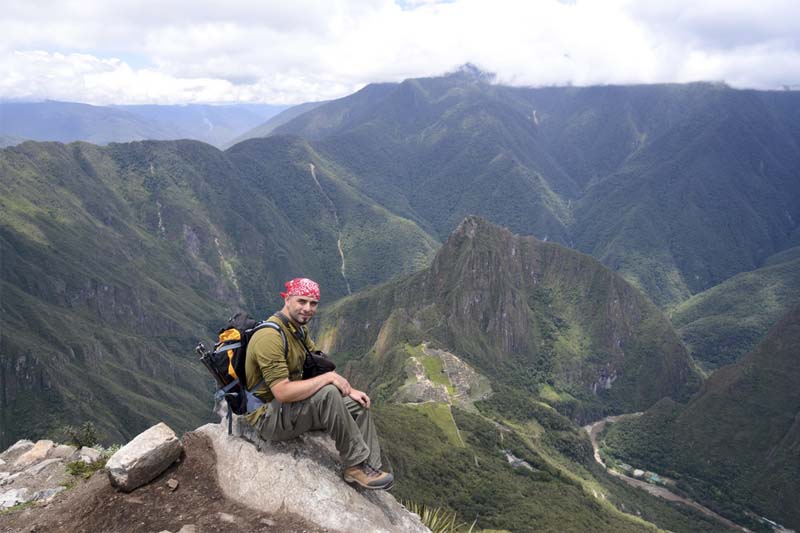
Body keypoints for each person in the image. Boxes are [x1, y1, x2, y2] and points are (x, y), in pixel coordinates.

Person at [244, 277, 394, 490]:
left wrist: (349, 390)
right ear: (287, 299)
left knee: (358, 404)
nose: (307, 308)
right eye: (301, 301)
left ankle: (370, 467)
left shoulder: (298, 329)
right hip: (269, 417)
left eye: (313, 303)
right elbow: (282, 393)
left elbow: (318, 364)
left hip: (291, 409)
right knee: (328, 393)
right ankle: (355, 465)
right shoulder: (270, 337)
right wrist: (329, 380)